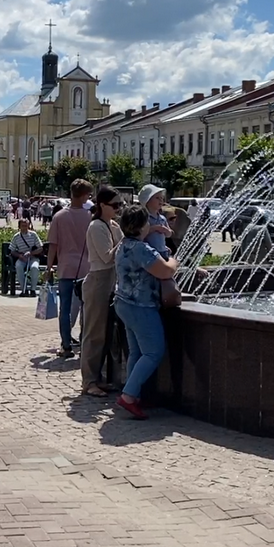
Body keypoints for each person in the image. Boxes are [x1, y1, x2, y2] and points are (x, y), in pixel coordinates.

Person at [112, 205, 179, 420]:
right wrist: (173, 260)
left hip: (123, 303)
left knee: (137, 352)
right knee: (153, 352)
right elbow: (165, 270)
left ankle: (134, 394)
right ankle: (129, 396)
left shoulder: (123, 245)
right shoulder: (141, 249)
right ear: (142, 226)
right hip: (141, 306)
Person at [80, 185, 124, 397]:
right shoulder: (96, 226)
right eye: (115, 205)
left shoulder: (112, 225)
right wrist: (125, 241)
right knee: (93, 333)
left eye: (120, 204)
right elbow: (107, 256)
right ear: (102, 205)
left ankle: (99, 378)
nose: (118, 208)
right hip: (98, 280)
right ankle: (89, 381)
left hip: (111, 280)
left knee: (106, 333)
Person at [47, 179, 93, 358]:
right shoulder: (90, 217)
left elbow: (53, 245)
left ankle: (66, 346)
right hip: (86, 268)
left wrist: (49, 267)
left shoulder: (59, 217)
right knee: (86, 308)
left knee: (64, 309)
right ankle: (84, 343)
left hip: (65, 268)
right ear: (82, 196)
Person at [8, 218, 43, 296]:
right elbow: (12, 250)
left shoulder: (33, 235)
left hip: (33, 257)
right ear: (19, 227)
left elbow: (40, 248)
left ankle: (33, 289)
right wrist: (19, 256)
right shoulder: (16, 237)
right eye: (23, 226)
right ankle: (24, 289)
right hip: (22, 258)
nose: (25, 227)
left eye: (26, 225)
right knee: (18, 266)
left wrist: (31, 253)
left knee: (34, 268)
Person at [138, 185, 172, 258]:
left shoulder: (162, 218)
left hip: (162, 251)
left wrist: (166, 231)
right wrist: (154, 228)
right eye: (157, 198)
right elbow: (139, 235)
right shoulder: (144, 218)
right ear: (147, 201)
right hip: (149, 253)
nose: (161, 200)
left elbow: (169, 234)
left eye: (162, 198)